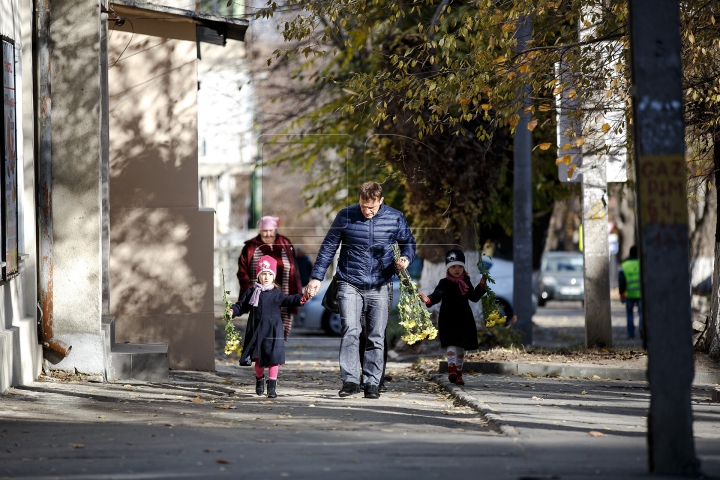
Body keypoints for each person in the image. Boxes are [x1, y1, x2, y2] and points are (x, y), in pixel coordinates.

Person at [304, 182, 416, 399]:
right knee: (350, 330)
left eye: (372, 207)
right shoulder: (345, 216)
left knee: (376, 335)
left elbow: (409, 243)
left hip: (380, 284)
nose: (367, 211)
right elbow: (329, 246)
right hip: (350, 282)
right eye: (364, 206)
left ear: (381, 201)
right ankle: (350, 381)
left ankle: (372, 382)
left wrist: (405, 258)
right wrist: (317, 278)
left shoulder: (395, 217)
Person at [232, 256, 307, 398]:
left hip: (273, 331)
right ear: (258, 276)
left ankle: (272, 387)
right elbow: (240, 306)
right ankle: (259, 379)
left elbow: (289, 299)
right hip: (257, 331)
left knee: (274, 360)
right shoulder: (252, 292)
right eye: (263, 274)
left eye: (269, 274)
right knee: (259, 363)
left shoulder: (276, 294)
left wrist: (302, 298)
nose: (266, 277)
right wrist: (232, 311)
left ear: (274, 277)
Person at [418, 249, 486, 386]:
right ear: (448, 268)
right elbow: (437, 295)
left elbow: (473, 297)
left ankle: (459, 374)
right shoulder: (444, 283)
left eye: (460, 266)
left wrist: (481, 285)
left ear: (463, 268)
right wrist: (428, 300)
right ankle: (451, 369)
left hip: (463, 319)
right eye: (453, 266)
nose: (457, 269)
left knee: (461, 347)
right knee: (452, 343)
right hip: (448, 319)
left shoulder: (466, 281)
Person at [237, 216, 303, 341]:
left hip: (284, 295)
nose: (268, 234)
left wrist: (297, 292)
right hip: (260, 297)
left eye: (270, 230)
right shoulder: (250, 247)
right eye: (264, 231)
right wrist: (249, 293)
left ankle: (274, 358)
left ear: (276, 230)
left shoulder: (285, 243)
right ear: (260, 231)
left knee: (280, 331)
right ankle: (262, 358)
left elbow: (294, 270)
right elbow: (242, 272)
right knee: (261, 330)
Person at [619, 245, 642, 339]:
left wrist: (622, 293)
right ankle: (641, 329)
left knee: (629, 313)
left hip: (629, 294)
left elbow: (621, 281)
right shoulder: (641, 264)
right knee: (641, 313)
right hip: (640, 294)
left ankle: (631, 333)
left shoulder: (624, 265)